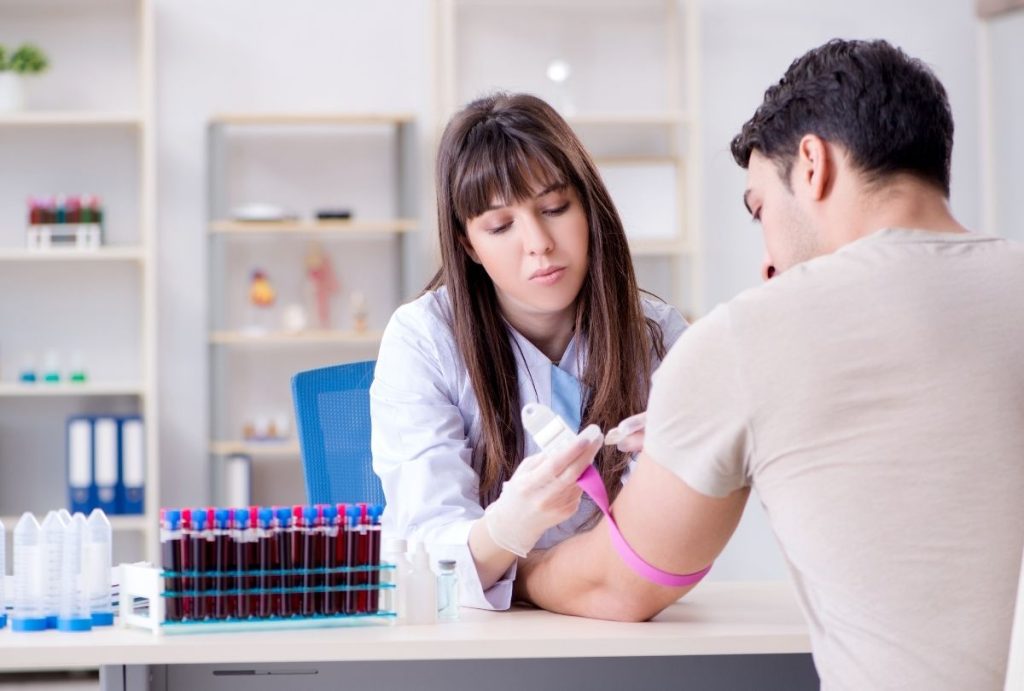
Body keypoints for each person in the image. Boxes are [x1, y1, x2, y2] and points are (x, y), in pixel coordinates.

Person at [515, 38, 1024, 690]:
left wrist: (513, 560)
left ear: (812, 164)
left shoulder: (747, 334)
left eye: (760, 210)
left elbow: (614, 587)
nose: (767, 262)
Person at [370, 93, 686, 610]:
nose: (538, 242)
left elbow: (668, 547)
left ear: (589, 206)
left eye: (555, 208)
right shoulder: (423, 338)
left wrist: (675, 466)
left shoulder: (655, 334)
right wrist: (509, 526)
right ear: (468, 244)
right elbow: (432, 554)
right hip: (476, 640)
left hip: (618, 624)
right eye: (500, 226)